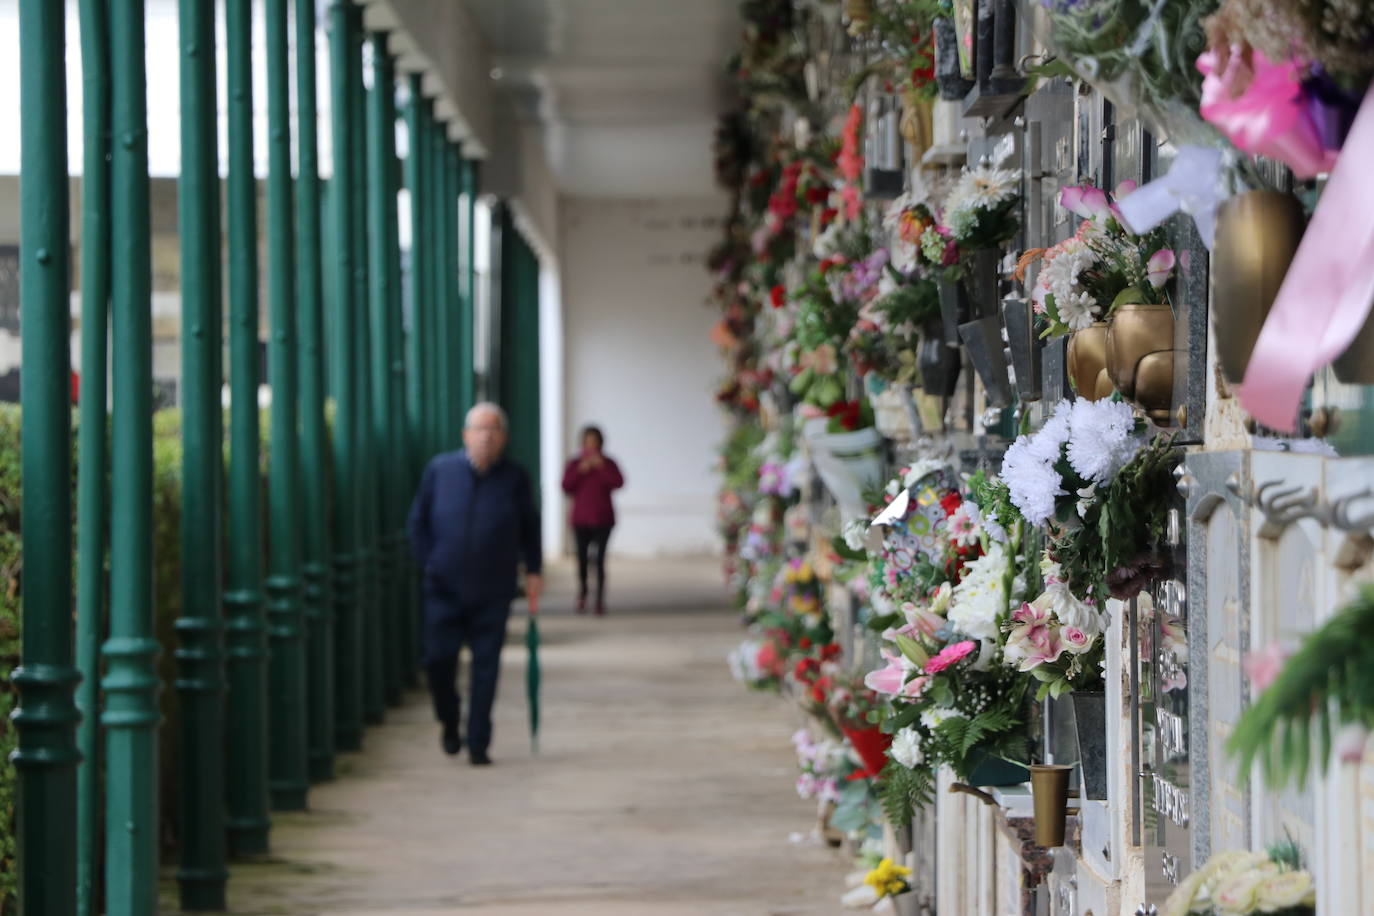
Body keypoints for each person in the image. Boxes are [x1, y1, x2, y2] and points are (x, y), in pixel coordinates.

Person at [407, 402, 542, 765]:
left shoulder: (515, 478)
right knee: (438, 661)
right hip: (443, 589)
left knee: (486, 666)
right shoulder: (440, 470)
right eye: (480, 429)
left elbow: (531, 527)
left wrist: (533, 570)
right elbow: (417, 522)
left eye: (494, 429)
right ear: (466, 435)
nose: (486, 436)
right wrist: (429, 563)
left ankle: (479, 740)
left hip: (493, 590)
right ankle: (449, 720)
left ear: (504, 438)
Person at [561, 425, 624, 615]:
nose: (591, 446)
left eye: (594, 442)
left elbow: (618, 482)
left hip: (603, 518)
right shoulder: (575, 463)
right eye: (587, 442)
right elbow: (566, 486)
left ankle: (599, 599)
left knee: (599, 559)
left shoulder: (608, 463)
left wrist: (601, 467)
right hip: (580, 519)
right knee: (581, 559)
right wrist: (581, 470)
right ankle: (583, 591)